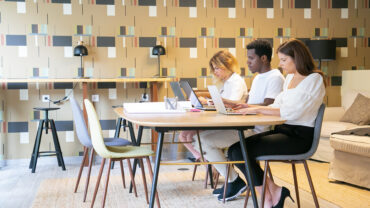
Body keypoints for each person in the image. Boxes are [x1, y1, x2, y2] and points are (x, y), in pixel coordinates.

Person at [227, 39, 326, 208]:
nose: (280, 64)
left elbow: (293, 111)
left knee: (239, 151)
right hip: (283, 131)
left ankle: (267, 198)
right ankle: (273, 192)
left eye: (284, 60)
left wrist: (255, 110)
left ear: (298, 58)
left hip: (299, 138)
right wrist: (251, 107)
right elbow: (277, 105)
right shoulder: (289, 78)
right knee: (235, 150)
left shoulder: (314, 79)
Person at [201, 40, 285, 201]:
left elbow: (268, 105)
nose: (247, 62)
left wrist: (237, 105)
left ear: (264, 58)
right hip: (246, 126)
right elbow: (248, 104)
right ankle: (233, 181)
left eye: (251, 58)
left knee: (206, 140)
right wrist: (231, 105)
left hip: (257, 130)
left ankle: (234, 181)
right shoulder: (258, 78)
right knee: (204, 137)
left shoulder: (275, 78)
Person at [178, 50, 248, 162]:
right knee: (183, 135)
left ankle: (208, 163)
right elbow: (222, 103)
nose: (215, 72)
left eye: (217, 68)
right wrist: (208, 101)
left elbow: (233, 104)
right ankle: (205, 160)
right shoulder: (227, 81)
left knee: (188, 135)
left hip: (231, 123)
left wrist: (210, 101)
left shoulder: (236, 81)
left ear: (227, 65)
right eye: (214, 68)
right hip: (222, 119)